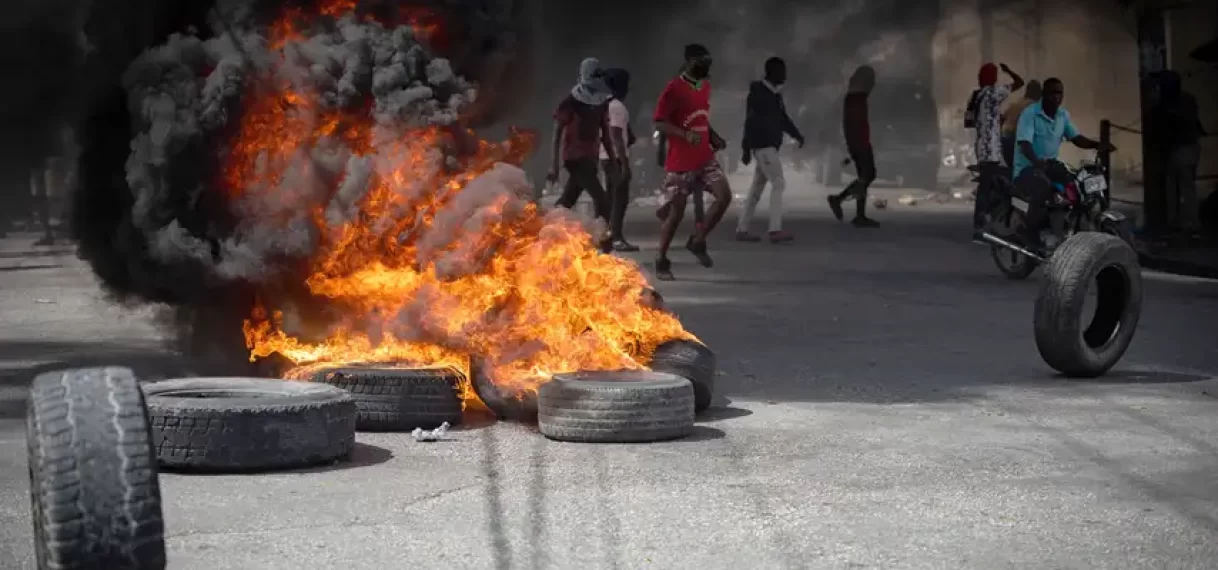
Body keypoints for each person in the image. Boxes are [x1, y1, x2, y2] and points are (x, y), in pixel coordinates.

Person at [652, 43, 732, 281]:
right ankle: (661, 259)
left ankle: (697, 240)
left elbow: (701, 118)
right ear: (689, 62)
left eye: (707, 62)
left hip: (705, 157)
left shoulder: (704, 86)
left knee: (724, 196)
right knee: (676, 214)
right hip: (681, 162)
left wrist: (713, 136)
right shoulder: (673, 89)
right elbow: (659, 123)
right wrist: (685, 135)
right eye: (701, 61)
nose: (706, 66)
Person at [1013, 77, 1115, 251]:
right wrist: (1037, 162)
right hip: (1028, 168)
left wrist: (1098, 145)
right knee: (1044, 188)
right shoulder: (1030, 114)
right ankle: (1029, 233)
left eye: (1059, 93)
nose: (1056, 97)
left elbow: (1075, 138)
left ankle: (1069, 228)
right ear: (1044, 95)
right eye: (1052, 93)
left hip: (1051, 165)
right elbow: (1024, 144)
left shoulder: (1063, 115)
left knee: (1076, 187)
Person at [547, 57, 619, 252]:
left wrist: (613, 160)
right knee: (602, 198)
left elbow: (605, 135)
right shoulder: (571, 101)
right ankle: (604, 241)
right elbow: (556, 135)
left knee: (567, 201)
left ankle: (544, 231)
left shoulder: (600, 102)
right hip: (574, 158)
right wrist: (553, 165)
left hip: (591, 158)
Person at [736, 56, 805, 244]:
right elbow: (749, 121)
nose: (785, 75)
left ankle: (742, 229)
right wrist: (745, 148)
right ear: (771, 72)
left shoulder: (775, 95)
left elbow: (783, 119)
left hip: (768, 147)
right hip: (763, 146)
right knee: (778, 182)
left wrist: (797, 135)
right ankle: (775, 230)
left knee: (756, 189)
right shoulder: (758, 94)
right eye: (781, 71)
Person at [970, 62, 1024, 242]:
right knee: (988, 187)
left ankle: (987, 222)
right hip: (991, 148)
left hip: (982, 147)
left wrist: (991, 120)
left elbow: (970, 121)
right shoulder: (993, 93)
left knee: (989, 185)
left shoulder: (976, 96)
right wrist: (1009, 70)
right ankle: (980, 226)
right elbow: (1019, 82)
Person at [827, 65, 880, 227]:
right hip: (860, 142)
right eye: (871, 80)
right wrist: (856, 146)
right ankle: (839, 199)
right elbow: (854, 125)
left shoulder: (856, 97)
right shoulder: (856, 99)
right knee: (867, 175)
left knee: (864, 176)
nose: (873, 84)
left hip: (859, 141)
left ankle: (859, 214)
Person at [1155, 70, 1205, 235]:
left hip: (1180, 149)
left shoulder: (1170, 104)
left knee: (1182, 187)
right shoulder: (1188, 100)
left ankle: (1187, 223)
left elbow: (1171, 128)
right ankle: (1184, 222)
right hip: (1188, 148)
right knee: (1183, 186)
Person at [599, 68, 638, 252]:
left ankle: (608, 235)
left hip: (605, 157)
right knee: (619, 199)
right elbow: (615, 135)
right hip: (615, 158)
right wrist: (625, 164)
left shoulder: (607, 104)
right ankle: (616, 237)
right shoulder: (617, 107)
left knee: (612, 197)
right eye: (627, 84)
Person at [1000, 79, 1040, 176]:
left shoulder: (1017, 103)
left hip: (1005, 143)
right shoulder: (1035, 107)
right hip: (1017, 144)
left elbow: (1002, 119)